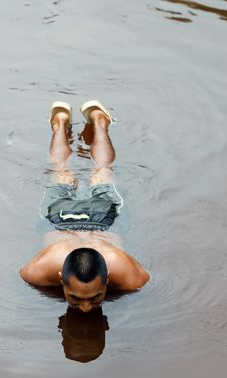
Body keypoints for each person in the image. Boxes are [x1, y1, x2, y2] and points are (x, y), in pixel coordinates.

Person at [20, 100, 150, 312]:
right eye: (74, 298)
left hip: (63, 222)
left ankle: (67, 121)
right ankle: (88, 120)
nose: (86, 308)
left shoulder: (39, 271)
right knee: (100, 172)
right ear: (60, 279)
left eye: (96, 297)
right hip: (98, 220)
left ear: (108, 277)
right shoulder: (130, 276)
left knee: (63, 171)